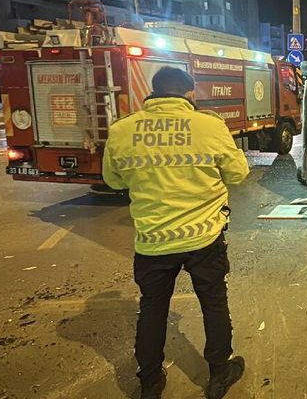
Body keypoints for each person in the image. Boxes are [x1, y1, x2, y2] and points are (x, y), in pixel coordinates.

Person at [102, 66, 250, 399]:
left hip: (153, 240)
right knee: (213, 303)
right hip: (204, 236)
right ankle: (218, 374)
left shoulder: (123, 130)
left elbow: (113, 180)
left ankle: (151, 381)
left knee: (153, 308)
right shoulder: (209, 126)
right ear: (188, 93)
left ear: (153, 93)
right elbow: (238, 174)